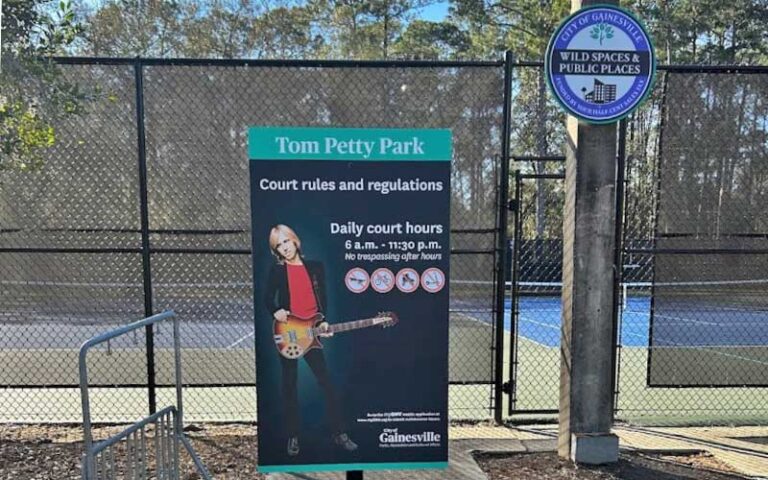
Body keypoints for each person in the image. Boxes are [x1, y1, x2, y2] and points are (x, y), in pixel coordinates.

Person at [263, 224, 358, 457]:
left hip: (311, 331)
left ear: (295, 240)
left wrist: (323, 321)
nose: (284, 247)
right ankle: (293, 437)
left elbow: (321, 297)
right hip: (288, 333)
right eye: (279, 245)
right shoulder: (276, 271)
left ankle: (339, 433)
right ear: (276, 250)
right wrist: (276, 310)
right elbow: (267, 298)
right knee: (289, 386)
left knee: (326, 382)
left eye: (286, 241)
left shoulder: (315, 267)